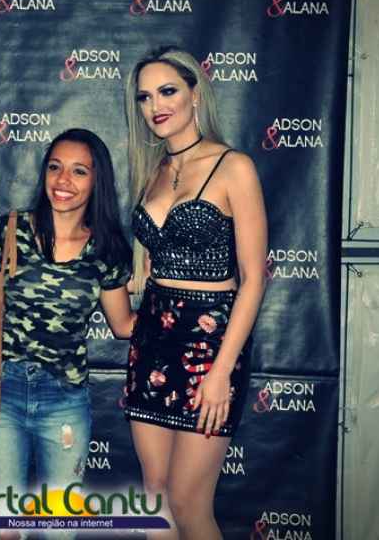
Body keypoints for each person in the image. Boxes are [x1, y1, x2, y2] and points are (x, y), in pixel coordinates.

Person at [0, 129, 135, 538]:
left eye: (79, 171)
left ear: (97, 180)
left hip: (65, 402)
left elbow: (124, 325)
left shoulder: (106, 250)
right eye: (55, 167)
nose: (63, 180)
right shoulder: (11, 231)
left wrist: (181, 306)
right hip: (4, 395)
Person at [122, 46, 267, 540]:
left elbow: (253, 279)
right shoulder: (151, 170)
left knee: (188, 503)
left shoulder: (233, 166)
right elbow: (149, 259)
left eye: (167, 91)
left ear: (195, 93)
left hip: (210, 344)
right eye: (145, 97)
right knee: (156, 496)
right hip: (151, 340)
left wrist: (221, 371)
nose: (155, 105)